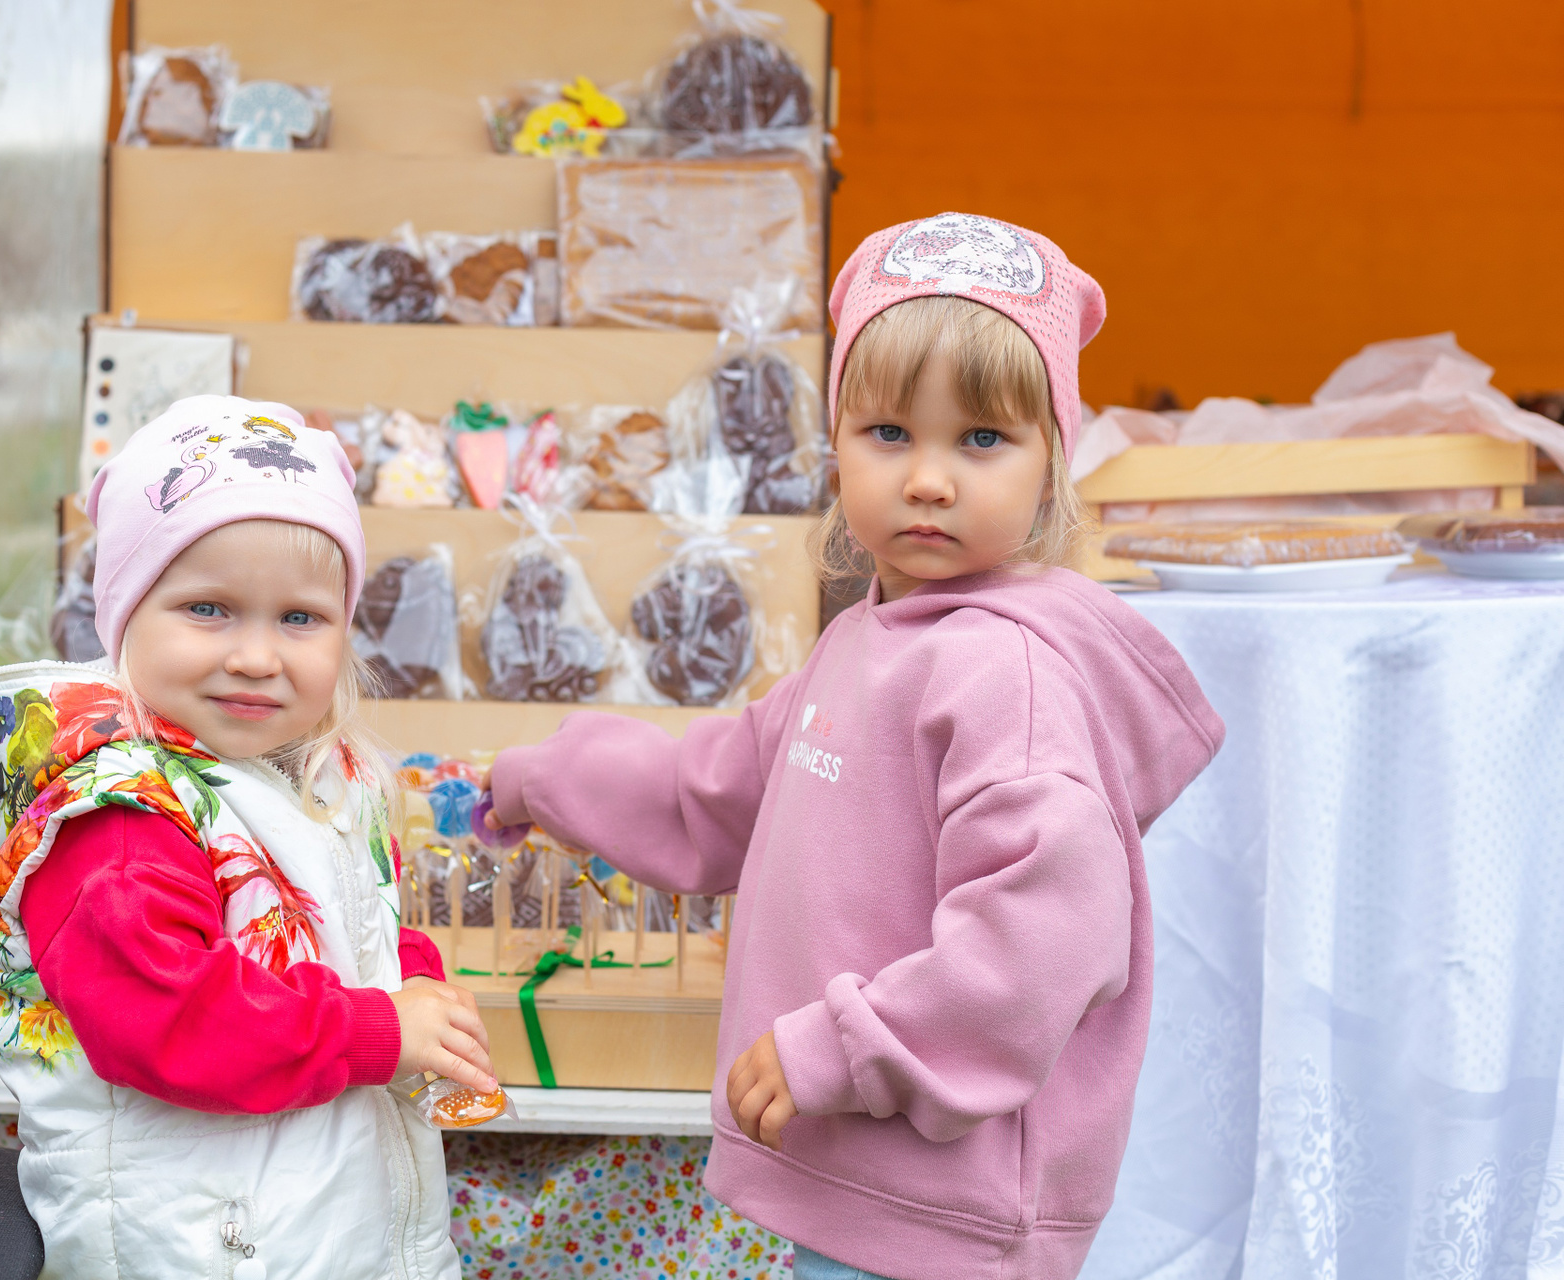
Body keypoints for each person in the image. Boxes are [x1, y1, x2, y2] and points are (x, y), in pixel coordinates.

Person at [484, 214, 1225, 1280]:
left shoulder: (1001, 674)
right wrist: (547, 777)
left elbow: (1038, 942)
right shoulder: (863, 642)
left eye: (982, 439)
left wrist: (846, 1047)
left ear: (1052, 462)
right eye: (888, 431)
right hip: (861, 1176)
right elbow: (717, 792)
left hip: (943, 1213)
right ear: (834, 443)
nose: (929, 478)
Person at [0, 395, 490, 1280]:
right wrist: (377, 1029)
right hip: (196, 1244)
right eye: (208, 609)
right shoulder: (119, 817)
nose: (255, 656)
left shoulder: (315, 776)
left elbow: (341, 923)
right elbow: (170, 1020)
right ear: (126, 613)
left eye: (299, 618)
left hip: (315, 1228)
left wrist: (410, 978)